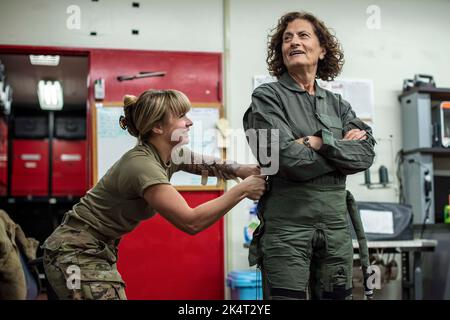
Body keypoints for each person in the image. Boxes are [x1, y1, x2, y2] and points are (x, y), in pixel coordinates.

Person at [42, 89, 266, 300]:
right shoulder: (142, 165)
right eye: (181, 116)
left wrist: (242, 169)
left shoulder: (170, 153)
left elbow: (212, 165)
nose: (190, 122)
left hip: (98, 248)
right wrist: (243, 189)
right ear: (158, 127)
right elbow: (191, 221)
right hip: (73, 252)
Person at [243, 11, 376, 300]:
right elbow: (283, 159)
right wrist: (340, 150)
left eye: (303, 36)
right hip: (286, 229)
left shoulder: (338, 104)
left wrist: (319, 141)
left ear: (322, 49)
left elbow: (365, 155)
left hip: (336, 229)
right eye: (287, 38)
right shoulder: (267, 98)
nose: (294, 42)